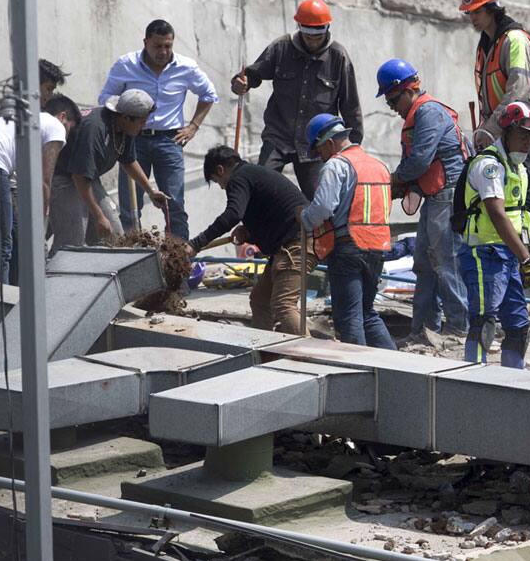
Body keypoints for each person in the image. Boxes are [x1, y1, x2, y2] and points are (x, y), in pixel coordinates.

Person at [376, 58, 471, 343]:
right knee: (424, 265)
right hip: (434, 196)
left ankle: (458, 328)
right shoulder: (417, 115)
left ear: (408, 90)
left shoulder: (428, 112)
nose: (392, 108)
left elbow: (419, 161)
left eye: (393, 100)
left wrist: (393, 181)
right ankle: (424, 330)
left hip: (448, 195)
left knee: (447, 261)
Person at [231, 0, 363, 200]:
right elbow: (253, 74)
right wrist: (243, 83)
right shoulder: (281, 47)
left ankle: (315, 232)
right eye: (308, 36)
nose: (312, 42)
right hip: (278, 136)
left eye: (317, 37)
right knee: (259, 190)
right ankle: (259, 231)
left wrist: (352, 148)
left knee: (321, 198)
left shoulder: (338, 57)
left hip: (316, 144)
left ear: (326, 29)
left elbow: (350, 106)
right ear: (300, 28)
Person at [99, 19, 218, 238]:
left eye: (168, 46)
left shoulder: (186, 67)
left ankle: (178, 262)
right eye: (157, 46)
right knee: (130, 207)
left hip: (170, 142)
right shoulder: (126, 65)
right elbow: (106, 98)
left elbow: (209, 94)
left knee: (175, 206)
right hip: (132, 141)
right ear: (145, 43)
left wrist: (193, 126)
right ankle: (132, 261)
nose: (163, 51)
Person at [453, 102, 530, 368]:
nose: (528, 142)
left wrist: (521, 255)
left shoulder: (520, 170)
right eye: (523, 135)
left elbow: (523, 216)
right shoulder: (489, 165)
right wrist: (526, 259)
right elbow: (497, 214)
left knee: (518, 324)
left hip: (510, 256)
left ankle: (512, 377)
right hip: (484, 254)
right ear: (506, 133)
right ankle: (475, 378)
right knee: (484, 320)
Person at [187, 145, 314, 334]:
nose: (222, 186)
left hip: (295, 245)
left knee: (283, 305)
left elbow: (232, 214)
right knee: (260, 301)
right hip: (288, 244)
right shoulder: (252, 175)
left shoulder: (238, 178)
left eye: (217, 181)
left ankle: (310, 358)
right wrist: (250, 232)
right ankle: (264, 354)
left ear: (221, 170)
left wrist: (196, 244)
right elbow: (272, 215)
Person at [459, 0, 530, 242]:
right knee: (501, 190)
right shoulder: (487, 43)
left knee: (521, 191)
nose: (472, 18)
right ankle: (510, 247)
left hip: (522, 129)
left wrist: (489, 130)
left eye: (477, 11)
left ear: (493, 8)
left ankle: (525, 247)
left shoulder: (515, 40)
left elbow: (518, 90)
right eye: (469, 13)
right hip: (501, 130)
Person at [0, 94, 80, 283]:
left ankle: (16, 295)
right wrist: (42, 219)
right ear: (63, 117)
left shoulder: (26, 125)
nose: (66, 136)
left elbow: (16, 184)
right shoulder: (55, 125)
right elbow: (45, 180)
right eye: (69, 128)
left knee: (13, 239)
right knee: (0, 244)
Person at [299, 114, 395, 349]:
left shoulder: (336, 165)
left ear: (329, 143)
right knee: (366, 312)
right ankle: (398, 367)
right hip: (377, 247)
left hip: (348, 247)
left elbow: (322, 207)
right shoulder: (380, 166)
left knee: (349, 317)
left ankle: (359, 375)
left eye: (319, 150)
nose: (319, 157)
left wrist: (304, 219)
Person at [49, 89, 169, 255]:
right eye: (142, 121)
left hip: (88, 178)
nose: (145, 125)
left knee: (113, 236)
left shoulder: (126, 128)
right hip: (64, 177)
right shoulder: (95, 128)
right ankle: (54, 278)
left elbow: (128, 160)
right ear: (126, 117)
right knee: (72, 241)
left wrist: (151, 190)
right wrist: (98, 216)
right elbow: (79, 177)